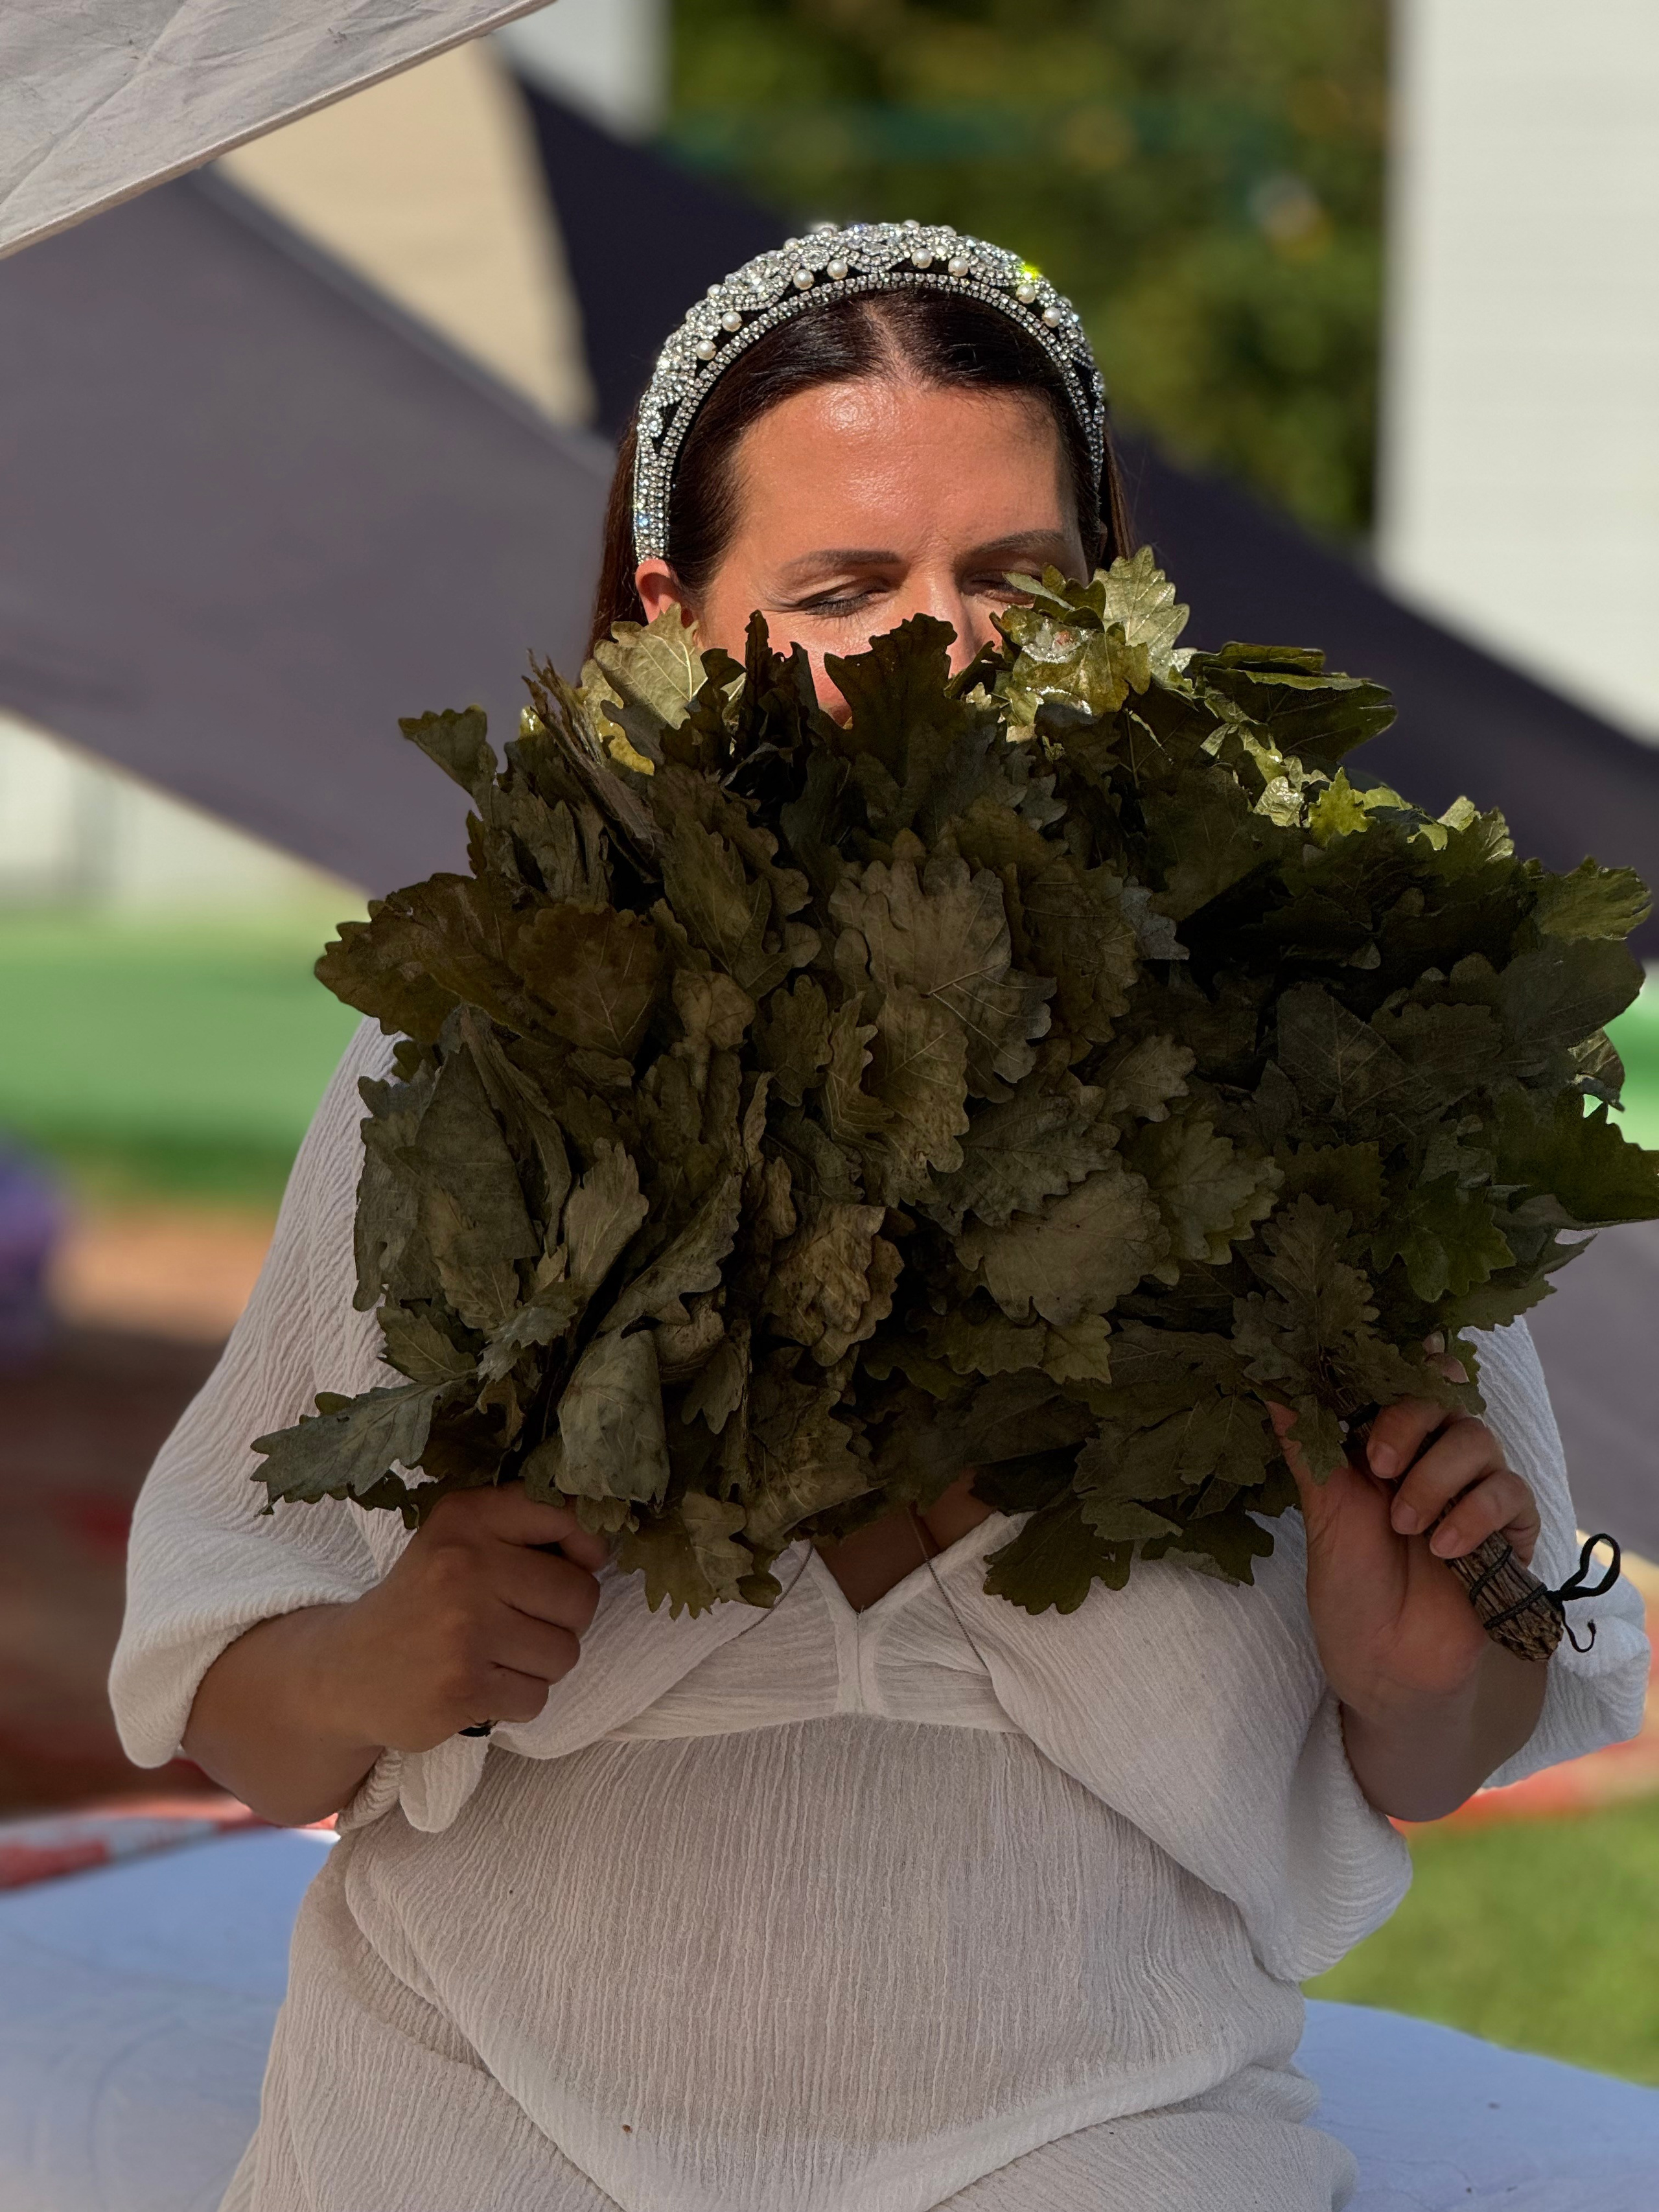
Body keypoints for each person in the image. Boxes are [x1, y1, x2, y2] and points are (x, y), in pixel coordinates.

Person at [111, 222, 1647, 2212]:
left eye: (1016, 579)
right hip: (465, 2113)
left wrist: (1420, 1672)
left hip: (1104, 2135)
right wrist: (377, 1662)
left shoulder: (1306, 1051)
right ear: (676, 607)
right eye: (844, 589)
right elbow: (247, 1704)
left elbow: (1445, 1738)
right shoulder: (495, 1043)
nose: (948, 650)